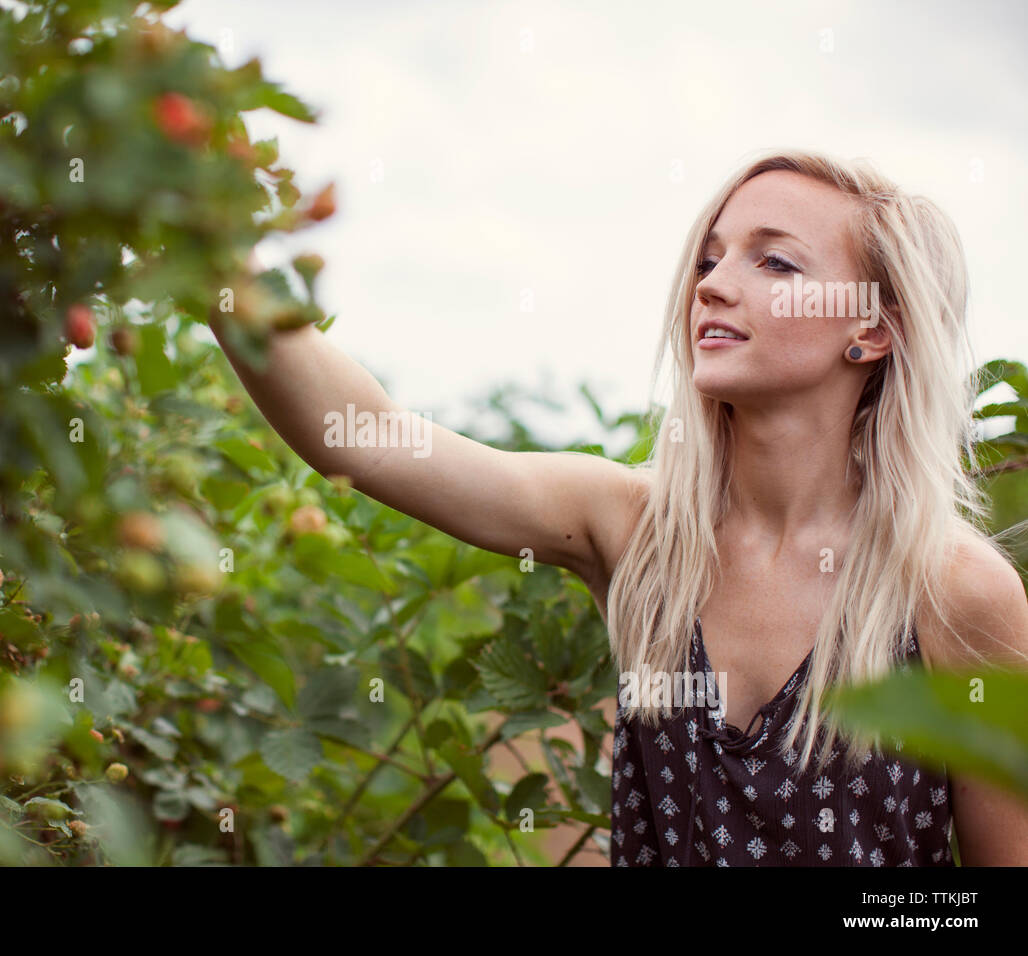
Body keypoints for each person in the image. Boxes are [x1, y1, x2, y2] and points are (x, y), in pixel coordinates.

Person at [210, 149, 1028, 866]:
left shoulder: (955, 593)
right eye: (710, 259)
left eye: (774, 264)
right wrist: (210, 267)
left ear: (873, 328)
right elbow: (368, 438)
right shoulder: (638, 527)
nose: (714, 285)